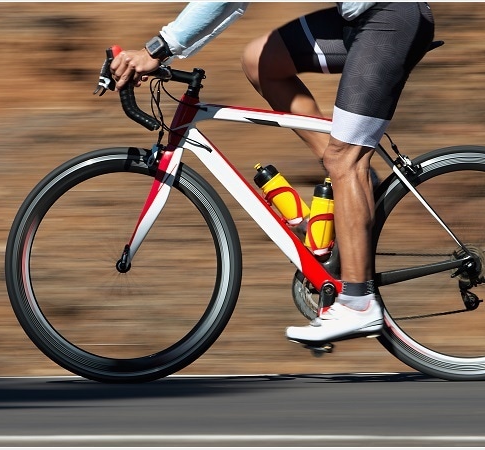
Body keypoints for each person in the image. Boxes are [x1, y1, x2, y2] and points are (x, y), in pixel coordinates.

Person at [111, 2, 435, 344]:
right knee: (260, 61)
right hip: (356, 20)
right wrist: (164, 51)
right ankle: (353, 185)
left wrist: (158, 49)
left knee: (346, 160)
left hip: (389, 19)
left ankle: (359, 304)